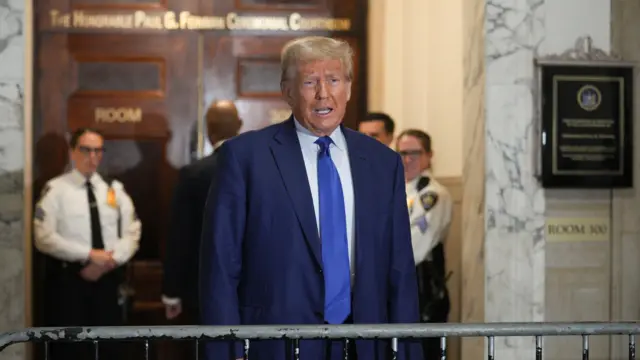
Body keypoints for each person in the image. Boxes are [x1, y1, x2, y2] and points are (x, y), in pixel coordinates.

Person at [200, 36, 422, 360]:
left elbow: (399, 267)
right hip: (275, 346)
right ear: (287, 91)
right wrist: (225, 351)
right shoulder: (245, 158)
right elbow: (220, 264)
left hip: (364, 345)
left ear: (347, 87)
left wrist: (406, 351)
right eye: (309, 82)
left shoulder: (382, 162)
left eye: (333, 80)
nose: (323, 94)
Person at [33, 127, 141, 360]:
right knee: (71, 351)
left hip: (108, 281)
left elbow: (132, 232)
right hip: (69, 283)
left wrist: (110, 260)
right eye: (85, 150)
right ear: (72, 152)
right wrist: (89, 255)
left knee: (110, 349)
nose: (92, 157)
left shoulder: (114, 189)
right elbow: (43, 237)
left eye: (97, 151)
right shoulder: (55, 190)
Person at [162, 100, 243, 322]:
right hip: (253, 290)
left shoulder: (193, 174)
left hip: (203, 289)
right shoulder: (261, 171)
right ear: (240, 126)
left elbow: (180, 237)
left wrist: (171, 291)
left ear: (208, 130)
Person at [396, 129, 453, 360]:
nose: (407, 159)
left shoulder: (433, 194)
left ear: (429, 155)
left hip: (421, 289)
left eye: (414, 153)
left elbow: (414, 246)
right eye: (402, 153)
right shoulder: (395, 189)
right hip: (395, 286)